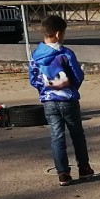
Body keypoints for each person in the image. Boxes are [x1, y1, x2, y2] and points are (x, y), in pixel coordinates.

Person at [29, 14, 93, 186]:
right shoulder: (65, 53)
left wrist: (44, 90)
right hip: (68, 101)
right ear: (58, 34)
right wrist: (71, 88)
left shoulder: (35, 55)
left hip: (49, 102)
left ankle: (63, 173)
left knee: (57, 136)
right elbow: (77, 76)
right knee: (77, 134)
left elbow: (33, 79)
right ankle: (84, 168)